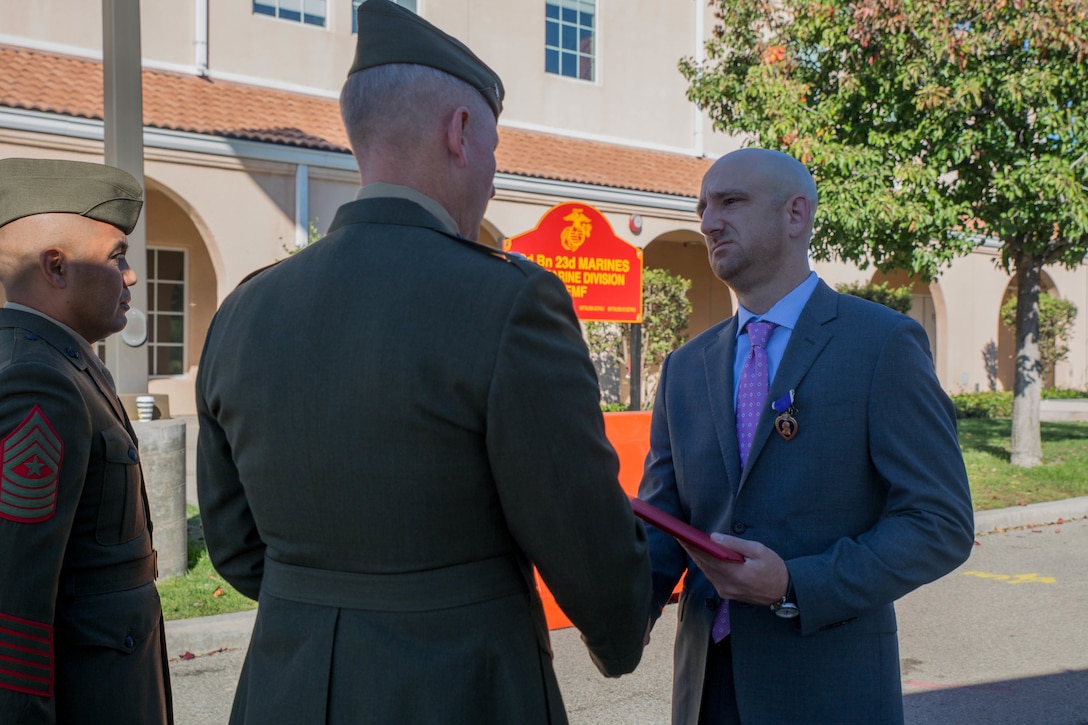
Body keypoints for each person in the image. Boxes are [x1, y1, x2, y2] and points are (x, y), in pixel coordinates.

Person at [195, 1, 651, 722]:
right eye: (495, 150)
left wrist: (325, 602)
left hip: (289, 686)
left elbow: (234, 542)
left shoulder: (246, 310)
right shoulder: (511, 303)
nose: (495, 178)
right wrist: (623, 625)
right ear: (460, 132)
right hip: (463, 686)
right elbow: (583, 537)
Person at [638, 147, 975, 725]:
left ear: (796, 215)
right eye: (703, 208)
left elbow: (939, 523)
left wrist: (795, 583)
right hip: (707, 690)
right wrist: (609, 614)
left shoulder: (881, 345)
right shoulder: (684, 368)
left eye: (730, 202)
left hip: (830, 690)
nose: (709, 221)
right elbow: (664, 526)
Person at [0, 158, 173, 724]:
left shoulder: (65, 361)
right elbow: (14, 600)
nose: (131, 276)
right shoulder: (39, 379)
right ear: (56, 266)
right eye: (117, 256)